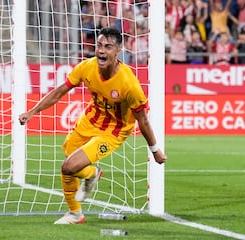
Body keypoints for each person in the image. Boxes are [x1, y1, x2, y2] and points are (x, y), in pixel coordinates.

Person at [18, 28, 167, 224]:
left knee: (68, 167)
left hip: (113, 131)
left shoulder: (129, 84)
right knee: (69, 163)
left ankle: (84, 191)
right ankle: (77, 210)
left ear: (118, 51)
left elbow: (143, 120)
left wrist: (155, 150)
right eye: (99, 45)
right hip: (89, 121)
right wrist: (32, 112)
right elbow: (59, 91)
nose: (102, 51)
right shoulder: (86, 67)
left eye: (108, 47)